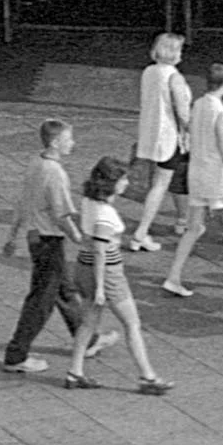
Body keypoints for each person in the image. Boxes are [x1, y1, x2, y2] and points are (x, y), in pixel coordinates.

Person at [62, 158, 172, 394]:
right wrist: (102, 287)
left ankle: (75, 371)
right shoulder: (105, 214)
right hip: (108, 274)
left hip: (83, 265)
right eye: (123, 179)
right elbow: (102, 252)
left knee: (89, 322)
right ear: (111, 183)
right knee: (132, 323)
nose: (127, 183)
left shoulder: (89, 202)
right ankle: (147, 377)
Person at [1, 118, 94, 374]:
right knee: (41, 300)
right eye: (68, 139)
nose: (72, 144)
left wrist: (12, 235)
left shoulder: (35, 163)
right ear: (55, 142)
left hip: (35, 235)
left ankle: (87, 339)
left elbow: (23, 201)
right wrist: (79, 238)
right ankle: (16, 354)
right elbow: (61, 214)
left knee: (64, 289)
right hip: (48, 239)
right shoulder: (55, 173)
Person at [162, 64, 223, 296]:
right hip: (219, 179)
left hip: (198, 174)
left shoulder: (198, 104)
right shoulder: (221, 115)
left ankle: (173, 275)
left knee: (193, 228)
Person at [126, 34, 191, 253]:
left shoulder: (149, 72)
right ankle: (141, 233)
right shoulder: (174, 77)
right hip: (169, 136)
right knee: (161, 184)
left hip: (150, 134)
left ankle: (183, 219)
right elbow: (183, 112)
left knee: (162, 180)